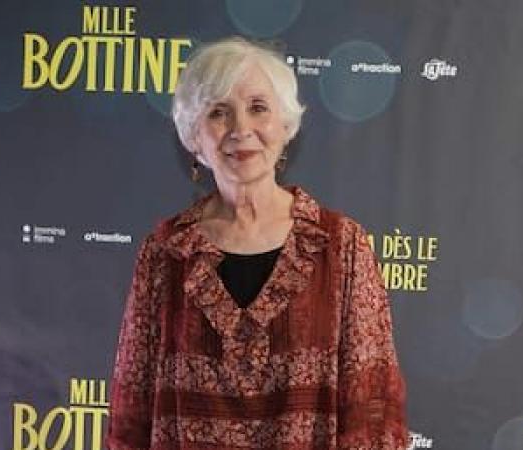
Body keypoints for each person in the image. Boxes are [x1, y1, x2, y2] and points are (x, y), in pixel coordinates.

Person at [106, 36, 408, 449]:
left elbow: (372, 406)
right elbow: (131, 411)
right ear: (194, 137)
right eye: (218, 112)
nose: (240, 129)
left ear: (285, 126)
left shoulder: (342, 247)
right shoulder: (165, 252)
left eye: (258, 108)